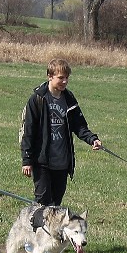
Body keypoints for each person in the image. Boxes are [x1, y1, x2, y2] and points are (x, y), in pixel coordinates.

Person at [20, 58, 102, 206]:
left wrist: (92, 139)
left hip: (62, 163)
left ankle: (51, 230)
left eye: (67, 78)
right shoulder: (38, 99)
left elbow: (79, 126)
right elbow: (28, 131)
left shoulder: (69, 99)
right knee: (42, 203)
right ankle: (33, 228)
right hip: (42, 161)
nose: (64, 81)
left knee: (55, 205)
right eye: (61, 78)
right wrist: (27, 160)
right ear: (50, 76)